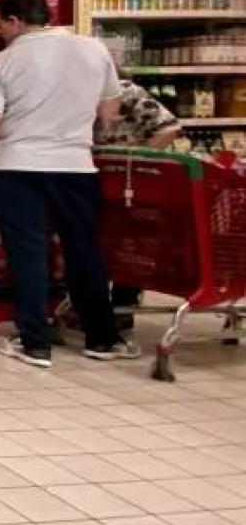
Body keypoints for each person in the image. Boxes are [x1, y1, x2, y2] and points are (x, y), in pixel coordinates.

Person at [0, 0, 129, 369]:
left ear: (14, 21)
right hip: (76, 166)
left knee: (29, 253)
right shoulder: (95, 51)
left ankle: (35, 343)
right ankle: (102, 339)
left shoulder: (1, 62)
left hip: (16, 167)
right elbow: (110, 114)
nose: (0, 33)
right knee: (84, 251)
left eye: (0, 25)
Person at [94, 76, 182, 345]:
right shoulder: (72, 90)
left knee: (129, 243)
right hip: (94, 178)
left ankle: (123, 307)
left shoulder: (125, 91)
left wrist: (138, 158)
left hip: (131, 183)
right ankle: (93, 305)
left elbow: (169, 128)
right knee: (97, 241)